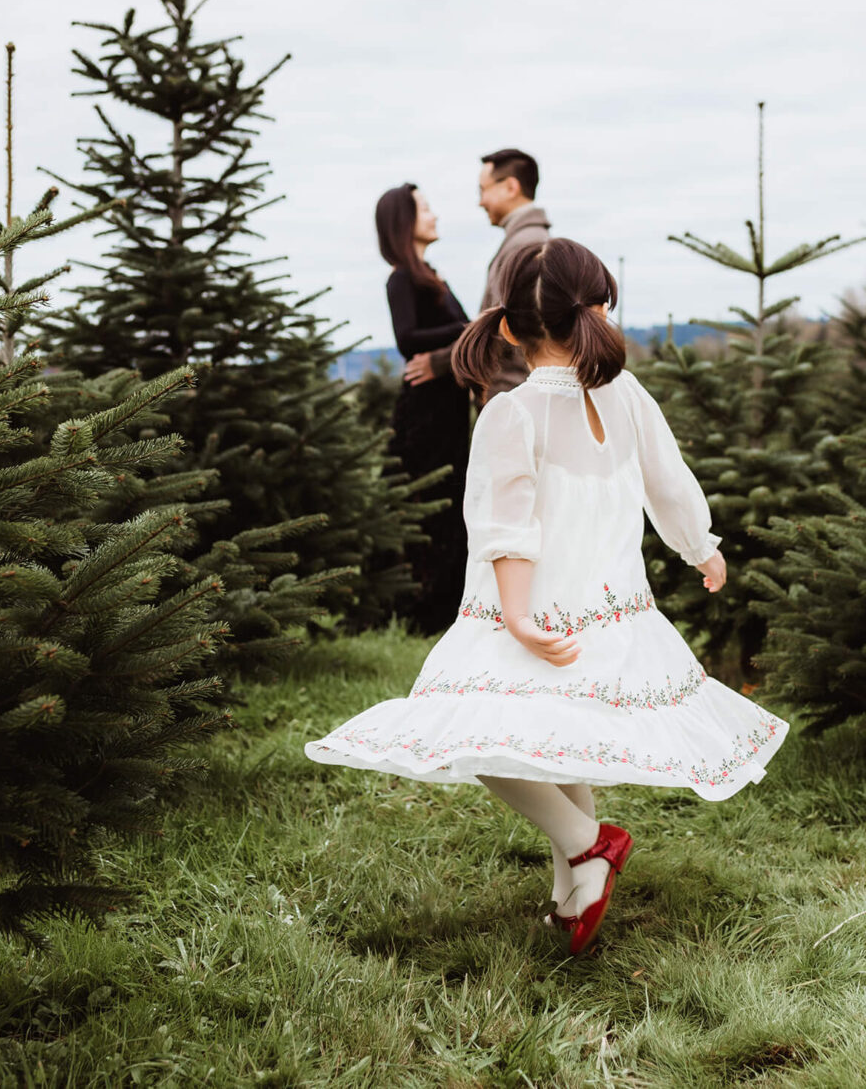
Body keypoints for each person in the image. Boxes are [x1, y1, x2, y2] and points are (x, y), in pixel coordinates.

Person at [306, 237, 786, 954]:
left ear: (507, 327)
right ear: (592, 311)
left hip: (527, 608)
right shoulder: (623, 393)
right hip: (608, 611)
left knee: (476, 736)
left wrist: (519, 619)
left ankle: (589, 845)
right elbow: (670, 481)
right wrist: (702, 546)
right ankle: (571, 889)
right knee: (558, 743)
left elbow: (509, 527)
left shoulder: (513, 411)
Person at [376, 183, 473, 631]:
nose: (434, 215)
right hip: (424, 412)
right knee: (426, 501)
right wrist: (466, 329)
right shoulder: (402, 277)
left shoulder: (432, 275)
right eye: (425, 209)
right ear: (404, 223)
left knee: (449, 500)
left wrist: (464, 330)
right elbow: (406, 339)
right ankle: (417, 609)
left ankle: (445, 603)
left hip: (447, 406)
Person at [401, 147, 549, 396]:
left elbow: (501, 327)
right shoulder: (524, 240)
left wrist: (439, 362)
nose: (480, 201)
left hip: (513, 393)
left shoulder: (525, 245)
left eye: (483, 190)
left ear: (510, 187)